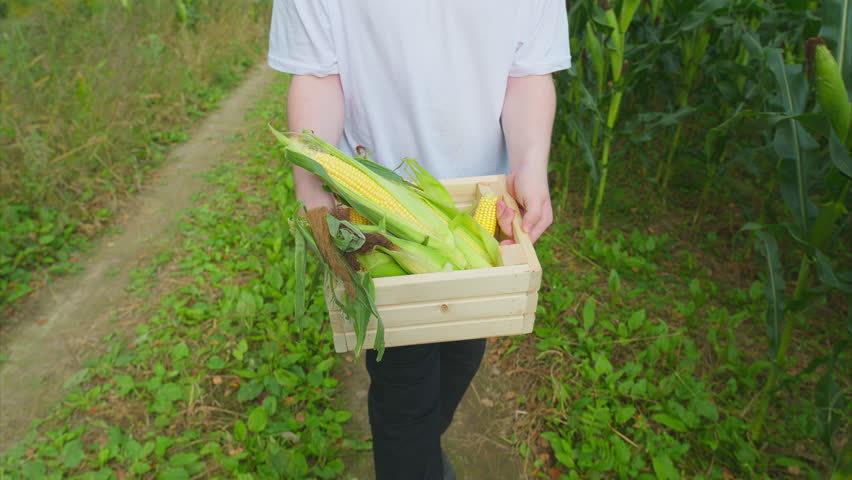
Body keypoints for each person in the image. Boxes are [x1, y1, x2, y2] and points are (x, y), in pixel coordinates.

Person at [268, 2, 570, 478]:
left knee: (461, 354)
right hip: (377, 220)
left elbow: (527, 71)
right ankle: (417, 453)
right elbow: (317, 72)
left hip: (478, 213)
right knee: (403, 388)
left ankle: (421, 443)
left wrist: (531, 166)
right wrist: (313, 194)